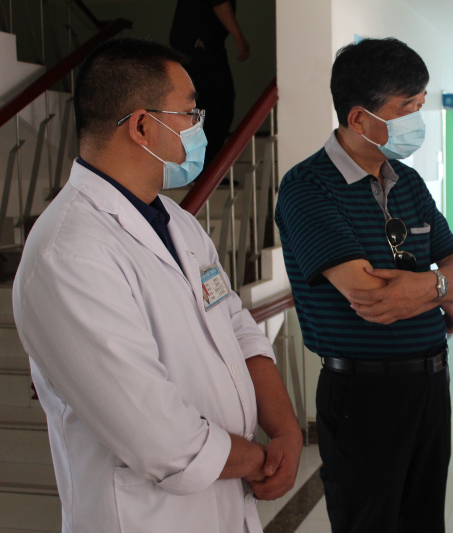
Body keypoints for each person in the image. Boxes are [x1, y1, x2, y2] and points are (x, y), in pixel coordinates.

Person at [12, 38, 302, 533]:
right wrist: (262, 461)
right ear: (143, 126)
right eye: (190, 113)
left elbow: (236, 327)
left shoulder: (175, 221)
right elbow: (159, 436)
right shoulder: (68, 254)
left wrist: (287, 433)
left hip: (225, 503)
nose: (200, 127)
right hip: (145, 518)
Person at [274, 38, 453, 533]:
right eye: (407, 108)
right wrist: (443, 290)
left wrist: (434, 285)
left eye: (420, 105)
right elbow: (373, 297)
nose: (417, 119)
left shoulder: (408, 182)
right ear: (359, 119)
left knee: (424, 522)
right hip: (363, 395)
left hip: (430, 383)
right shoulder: (308, 187)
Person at [170, 0, 250, 165]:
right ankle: (206, 167)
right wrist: (238, 36)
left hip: (196, 43)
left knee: (209, 105)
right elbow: (219, 2)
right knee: (217, 105)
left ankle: (202, 166)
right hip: (201, 43)